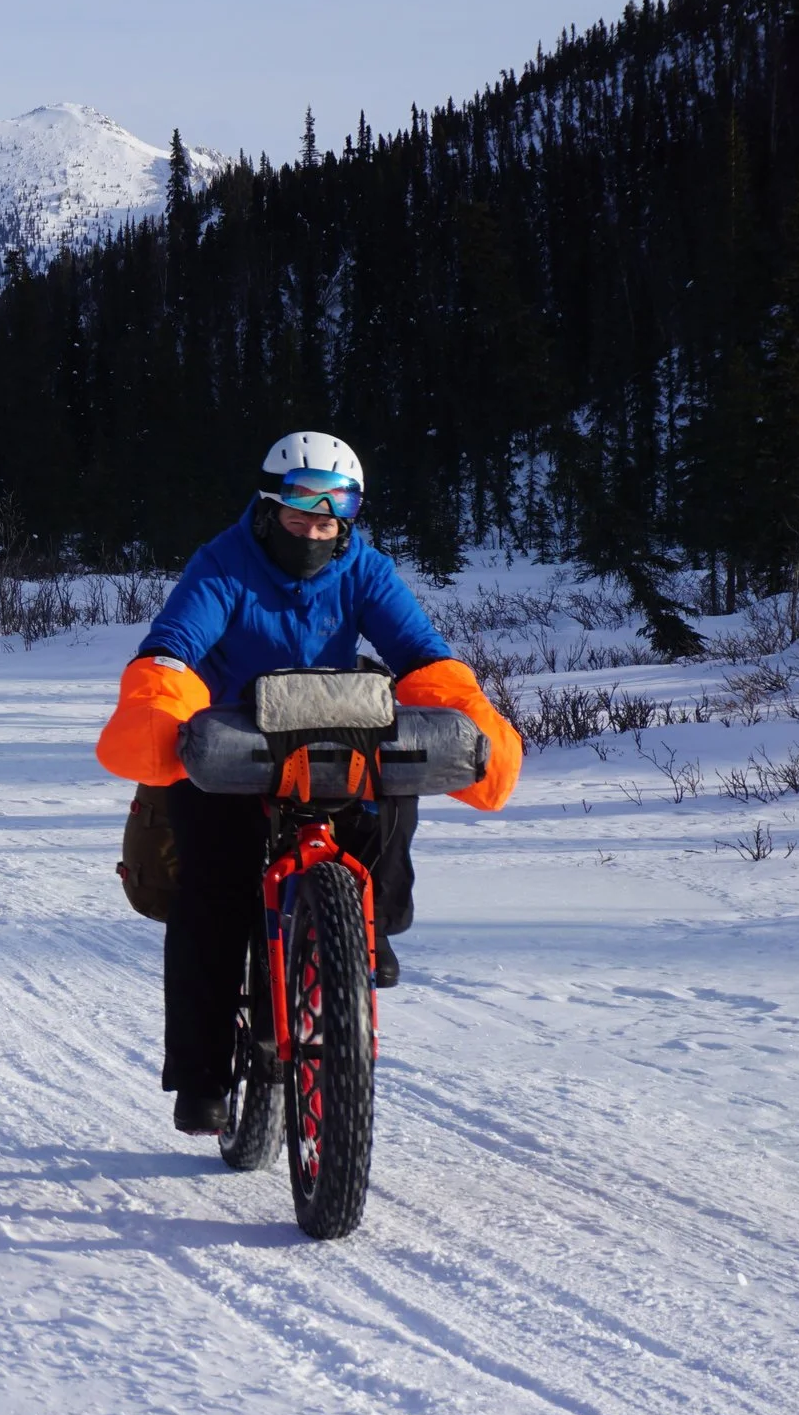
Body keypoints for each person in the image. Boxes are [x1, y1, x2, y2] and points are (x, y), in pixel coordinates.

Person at [95, 432, 521, 1136]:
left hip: (330, 740)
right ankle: (201, 1077)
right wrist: (160, 709)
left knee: (395, 779)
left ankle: (368, 926)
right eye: (300, 509)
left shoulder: (365, 569)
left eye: (332, 512)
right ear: (268, 506)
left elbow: (422, 654)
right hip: (230, 747)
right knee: (214, 894)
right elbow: (173, 646)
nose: (315, 526)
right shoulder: (224, 564)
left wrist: (468, 717)